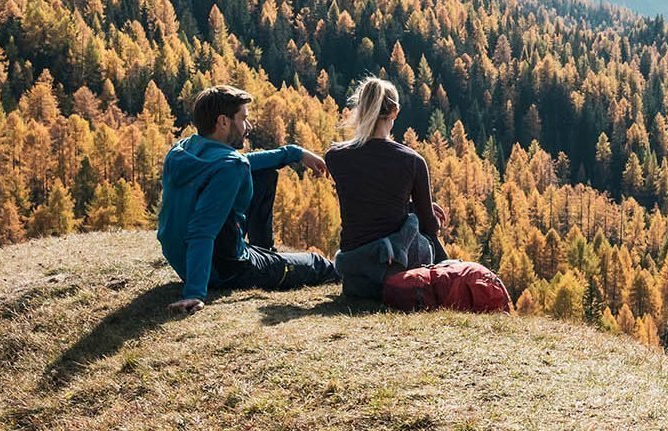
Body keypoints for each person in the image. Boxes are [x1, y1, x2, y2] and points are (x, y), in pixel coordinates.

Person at [157, 85, 338, 314]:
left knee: (264, 172)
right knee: (317, 264)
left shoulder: (182, 150)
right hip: (226, 268)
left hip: (181, 258)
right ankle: (272, 266)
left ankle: (266, 252)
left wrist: (294, 153)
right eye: (243, 119)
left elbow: (240, 163)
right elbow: (201, 230)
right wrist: (194, 293)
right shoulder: (230, 166)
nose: (248, 127)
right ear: (223, 122)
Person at [325, 77, 449, 299]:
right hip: (396, 269)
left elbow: (366, 197)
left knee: (412, 219)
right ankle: (448, 280)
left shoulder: (335, 157)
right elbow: (430, 227)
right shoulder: (412, 161)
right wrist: (424, 213)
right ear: (395, 111)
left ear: (361, 109)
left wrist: (409, 206)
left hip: (355, 269)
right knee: (423, 232)